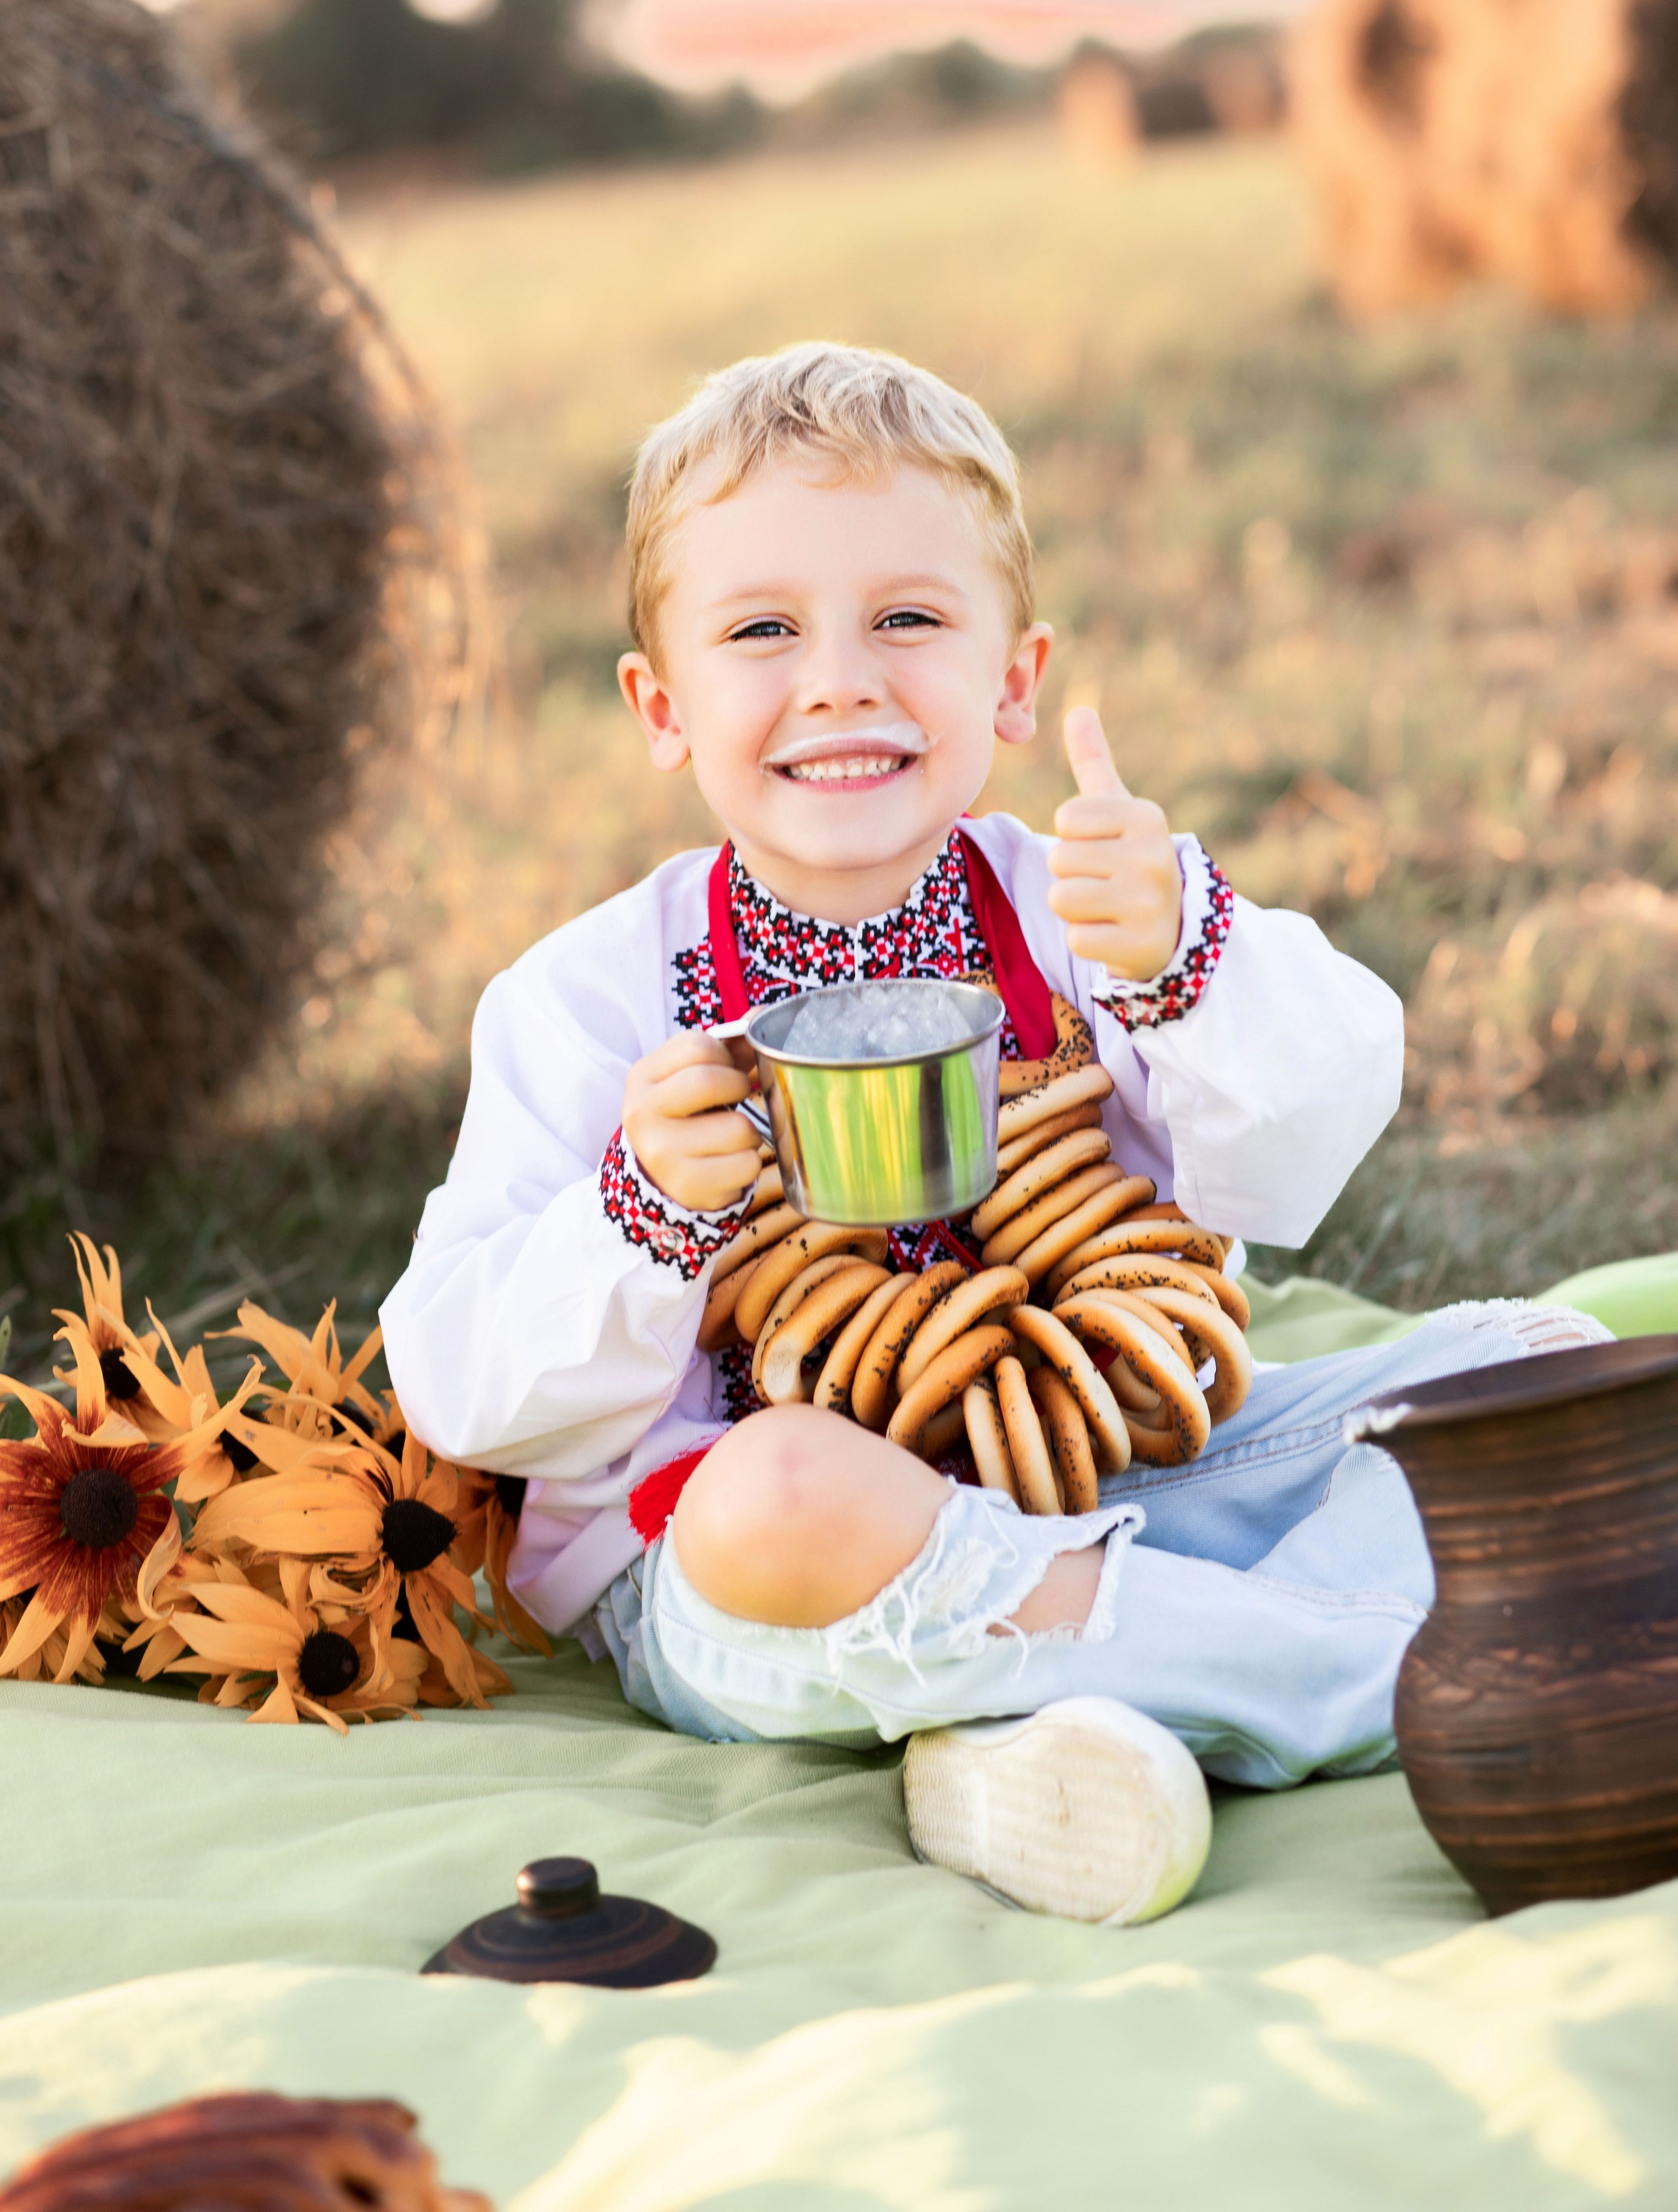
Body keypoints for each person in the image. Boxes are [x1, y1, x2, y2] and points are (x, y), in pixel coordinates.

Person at [381, 342, 1607, 1924]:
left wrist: (1187, 961)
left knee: (1537, 1364)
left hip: (1115, 1461)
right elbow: (462, 1382)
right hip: (761, 1572)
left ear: (1012, 681)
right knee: (781, 1489)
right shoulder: (594, 1000)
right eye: (762, 630)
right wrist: (640, 1217)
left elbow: (1303, 1146)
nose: (838, 679)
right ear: (661, 705)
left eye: (907, 619)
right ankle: (1399, 1674)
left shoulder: (1085, 901)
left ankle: (1027, 1735)